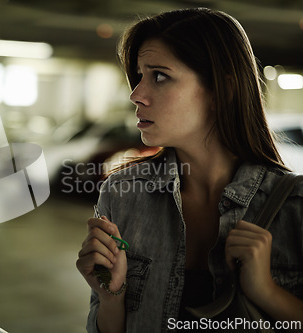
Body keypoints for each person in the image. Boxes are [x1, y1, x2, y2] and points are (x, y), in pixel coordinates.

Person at [76, 8, 303, 332]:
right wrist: (111, 295)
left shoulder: (295, 207)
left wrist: (266, 292)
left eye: (159, 76)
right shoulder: (122, 195)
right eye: (139, 75)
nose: (136, 94)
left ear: (221, 91)